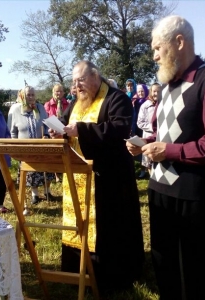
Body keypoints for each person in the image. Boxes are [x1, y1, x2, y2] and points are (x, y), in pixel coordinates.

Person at [126, 15, 205, 300]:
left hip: (193, 193)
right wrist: (148, 143)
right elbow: (172, 135)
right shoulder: (165, 86)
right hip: (159, 187)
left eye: (157, 48)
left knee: (196, 270)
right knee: (164, 265)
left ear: (179, 42)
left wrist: (169, 151)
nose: (154, 56)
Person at [49, 60, 144, 291]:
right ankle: (77, 272)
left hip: (108, 179)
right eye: (74, 81)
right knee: (78, 225)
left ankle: (107, 278)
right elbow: (66, 124)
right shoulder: (76, 104)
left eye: (80, 80)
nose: (77, 86)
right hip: (78, 176)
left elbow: (118, 128)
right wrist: (57, 131)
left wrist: (80, 130)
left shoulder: (116, 99)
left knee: (108, 229)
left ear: (95, 76)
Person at [7, 86, 55, 204]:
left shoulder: (40, 108)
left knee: (46, 169)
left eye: (33, 95)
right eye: (28, 95)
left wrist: (47, 136)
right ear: (23, 96)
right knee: (31, 172)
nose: (31, 97)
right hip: (26, 148)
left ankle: (47, 191)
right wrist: (15, 147)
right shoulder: (16, 110)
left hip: (42, 146)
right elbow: (12, 131)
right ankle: (35, 195)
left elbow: (48, 124)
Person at [137, 83, 160, 178]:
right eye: (154, 91)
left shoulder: (164, 104)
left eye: (158, 91)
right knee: (149, 158)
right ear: (151, 92)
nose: (156, 93)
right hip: (149, 136)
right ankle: (151, 178)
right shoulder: (145, 106)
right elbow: (140, 122)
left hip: (160, 137)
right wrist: (154, 127)